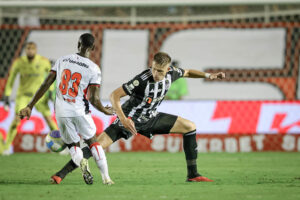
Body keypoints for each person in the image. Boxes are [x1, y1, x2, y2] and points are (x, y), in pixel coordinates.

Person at [51, 52, 225, 183]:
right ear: (152, 65)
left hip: (151, 118)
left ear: (168, 69)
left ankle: (193, 174)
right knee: (97, 145)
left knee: (190, 126)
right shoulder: (141, 80)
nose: (157, 74)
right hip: (130, 119)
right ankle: (60, 174)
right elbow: (114, 96)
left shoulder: (172, 73)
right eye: (155, 69)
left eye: (161, 71)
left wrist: (209, 76)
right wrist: (124, 119)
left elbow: (187, 72)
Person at [19, 33, 115, 185]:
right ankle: (106, 178)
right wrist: (104, 110)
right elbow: (94, 99)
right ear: (93, 48)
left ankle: (82, 161)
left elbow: (46, 84)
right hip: (80, 111)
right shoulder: (94, 69)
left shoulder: (62, 60)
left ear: (78, 44)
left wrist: (30, 106)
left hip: (62, 112)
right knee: (93, 142)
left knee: (72, 145)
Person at [0, 42, 57, 155]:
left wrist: (51, 92)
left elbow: (52, 78)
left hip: (39, 96)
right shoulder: (19, 62)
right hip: (23, 96)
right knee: (17, 120)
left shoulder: (44, 62)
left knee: (49, 120)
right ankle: (6, 147)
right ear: (26, 50)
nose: (30, 51)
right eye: (28, 49)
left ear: (35, 50)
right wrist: (7, 94)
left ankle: (60, 144)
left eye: (32, 49)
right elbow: (11, 79)